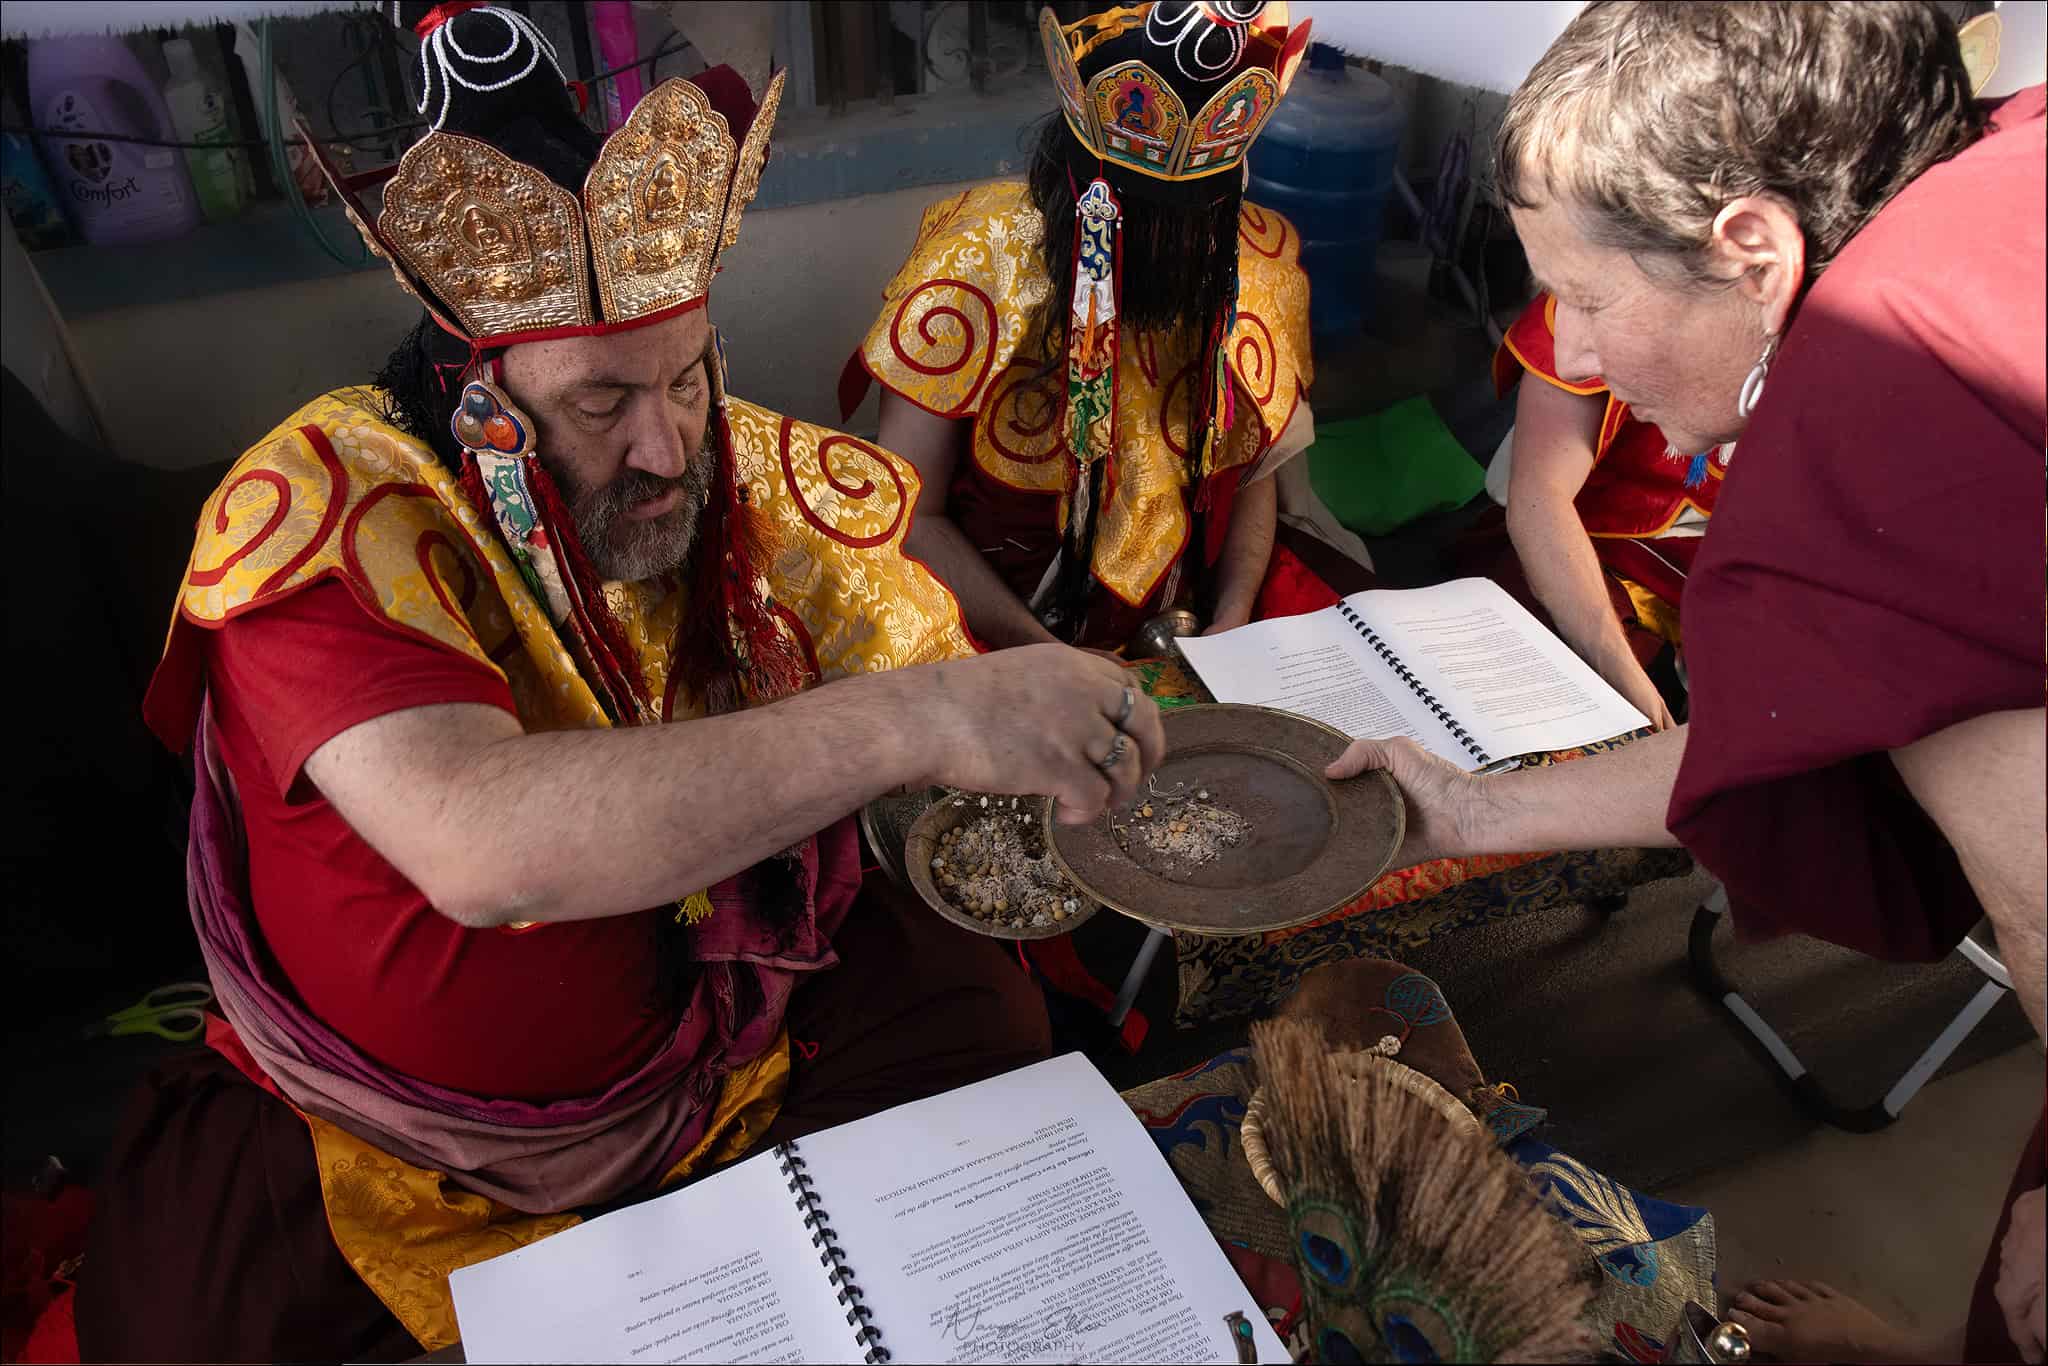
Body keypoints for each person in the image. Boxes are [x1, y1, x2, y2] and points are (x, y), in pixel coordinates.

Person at [72, 6, 1165, 1360]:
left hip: (727, 1029)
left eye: (691, 378)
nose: (666, 449)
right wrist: (919, 718)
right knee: (167, 1321)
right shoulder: (325, 506)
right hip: (395, 1140)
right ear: (483, 393)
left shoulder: (724, 464)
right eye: (602, 405)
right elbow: (486, 849)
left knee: (998, 1048)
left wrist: (1035, 702)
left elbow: (920, 650)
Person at [1327, 4, 2044, 1361]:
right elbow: (1790, 730)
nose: (1575, 356)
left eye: (1590, 300)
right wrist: (1465, 809)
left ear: (1754, 249)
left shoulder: (1879, 425)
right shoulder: (1987, 180)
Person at [839, 1, 1318, 652]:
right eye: (1154, 227)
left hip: (1192, 634)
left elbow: (1254, 470)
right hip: (995, 647)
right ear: (1083, 206)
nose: (1185, 252)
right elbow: (912, 516)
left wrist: (1231, 622)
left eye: (1200, 224)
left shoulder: (1240, 263)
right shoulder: (977, 263)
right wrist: (1048, 660)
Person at [1490, 292, 1719, 730]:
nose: (1572, 361)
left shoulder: (1843, 335)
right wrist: (1621, 672)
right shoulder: (1584, 309)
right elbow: (1541, 497)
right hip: (1602, 557)